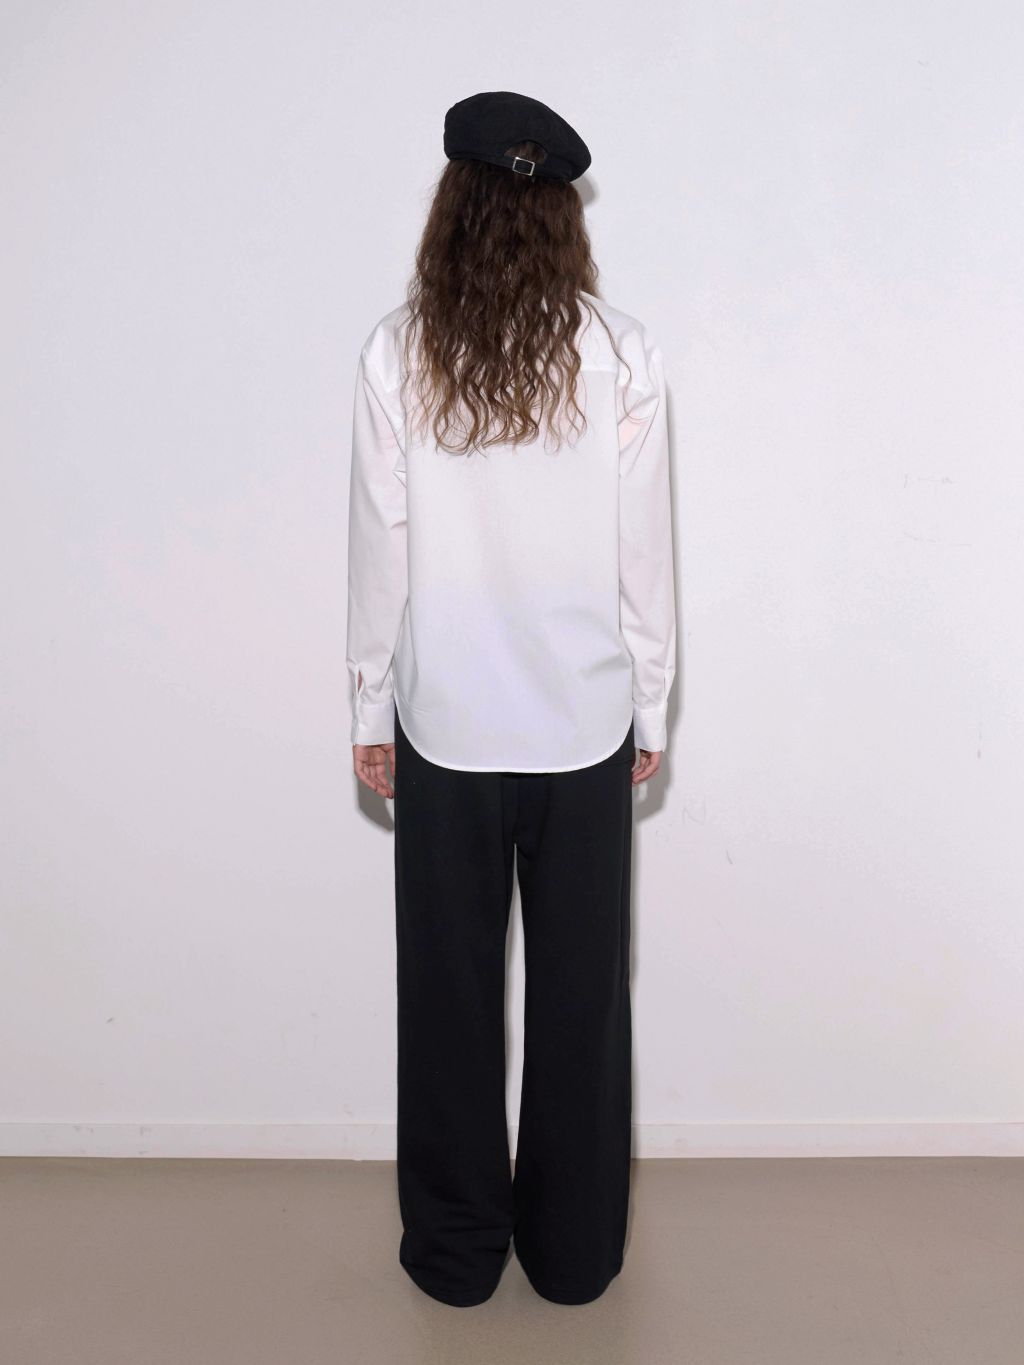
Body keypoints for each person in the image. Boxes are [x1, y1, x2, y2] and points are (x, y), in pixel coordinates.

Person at [345, 90, 677, 1308]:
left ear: (453, 206)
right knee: (584, 1001)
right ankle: (575, 1253)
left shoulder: (397, 351)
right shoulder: (622, 351)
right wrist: (651, 701)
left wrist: (369, 708)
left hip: (445, 726)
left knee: (447, 999)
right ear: (561, 217)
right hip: (583, 728)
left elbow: (379, 547)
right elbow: (644, 552)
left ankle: (453, 1254)